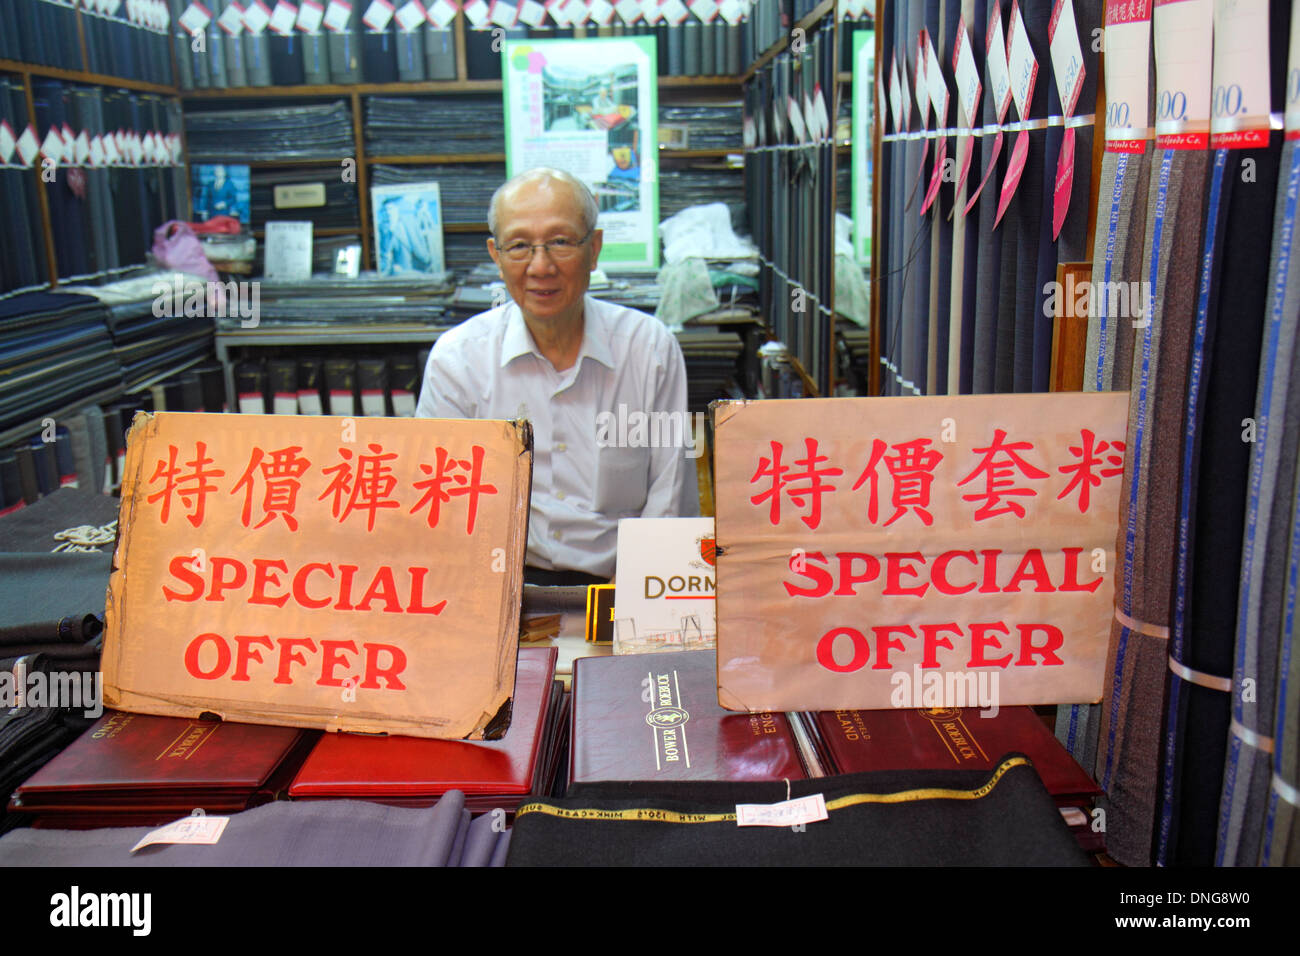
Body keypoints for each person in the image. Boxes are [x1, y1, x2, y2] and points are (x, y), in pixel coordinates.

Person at [415, 168, 698, 583]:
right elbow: (443, 509)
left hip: (622, 583)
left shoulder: (648, 348)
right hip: (503, 586)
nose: (540, 266)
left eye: (561, 242)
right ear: (495, 255)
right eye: (519, 246)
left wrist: (643, 611)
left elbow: (669, 496)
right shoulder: (458, 360)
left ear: (595, 248)